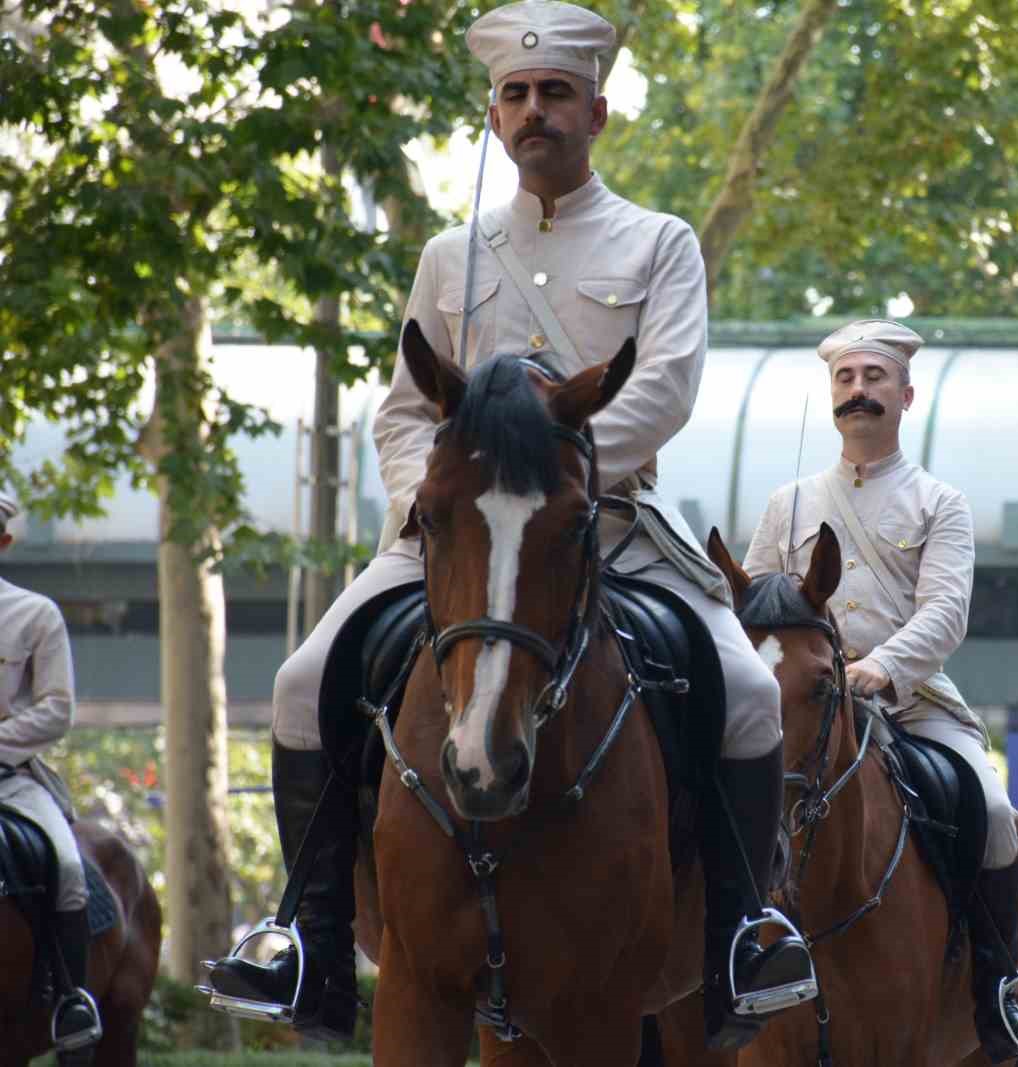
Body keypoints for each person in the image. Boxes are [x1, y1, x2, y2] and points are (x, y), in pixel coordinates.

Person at [207, 1, 814, 1048]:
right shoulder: (452, 255)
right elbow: (403, 407)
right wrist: (434, 492)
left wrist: (558, 472)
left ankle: (740, 939)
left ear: (599, 113)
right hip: (455, 530)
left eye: (557, 94)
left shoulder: (660, 243)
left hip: (608, 520)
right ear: (494, 117)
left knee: (753, 691)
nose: (536, 111)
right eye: (517, 95)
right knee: (305, 680)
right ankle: (304, 935)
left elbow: (663, 388)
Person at [743, 319, 1018, 1061]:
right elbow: (751, 606)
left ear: (906, 393)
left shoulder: (939, 502)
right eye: (846, 378)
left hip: (911, 704)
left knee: (988, 812)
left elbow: (946, 611)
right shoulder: (786, 503)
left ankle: (994, 994)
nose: (859, 390)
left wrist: (881, 667)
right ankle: (722, 967)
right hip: (800, 704)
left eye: (874, 378)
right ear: (832, 395)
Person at [0, 490, 101, 1051]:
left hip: (11, 779)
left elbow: (56, 709)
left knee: (67, 867)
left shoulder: (35, 615)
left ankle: (71, 1004)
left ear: (4, 542)